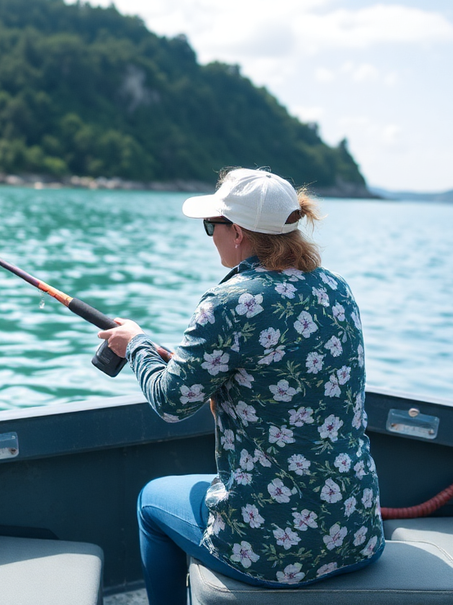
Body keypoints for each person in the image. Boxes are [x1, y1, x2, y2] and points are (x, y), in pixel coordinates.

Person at [98, 168, 384, 605]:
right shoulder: (337, 288)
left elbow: (171, 403)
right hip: (356, 531)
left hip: (273, 550)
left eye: (210, 225)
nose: (209, 234)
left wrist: (135, 344)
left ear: (237, 232)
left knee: (150, 502)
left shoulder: (230, 302)